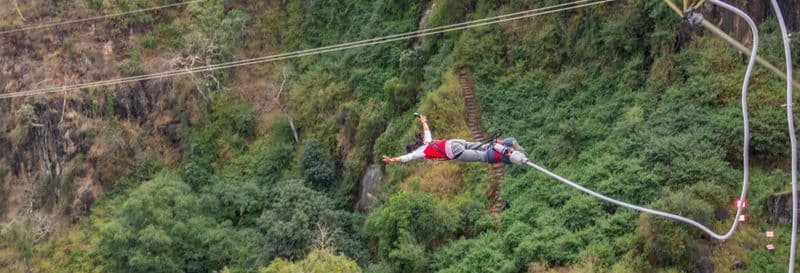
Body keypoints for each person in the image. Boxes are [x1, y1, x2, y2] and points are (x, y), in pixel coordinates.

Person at [382, 114, 529, 165]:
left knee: (484, 156)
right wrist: (423, 120)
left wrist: (392, 160)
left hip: (453, 151)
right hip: (453, 142)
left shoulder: (421, 152)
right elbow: (426, 129)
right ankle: (508, 143)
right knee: (482, 146)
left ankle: (508, 154)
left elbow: (407, 158)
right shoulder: (427, 141)